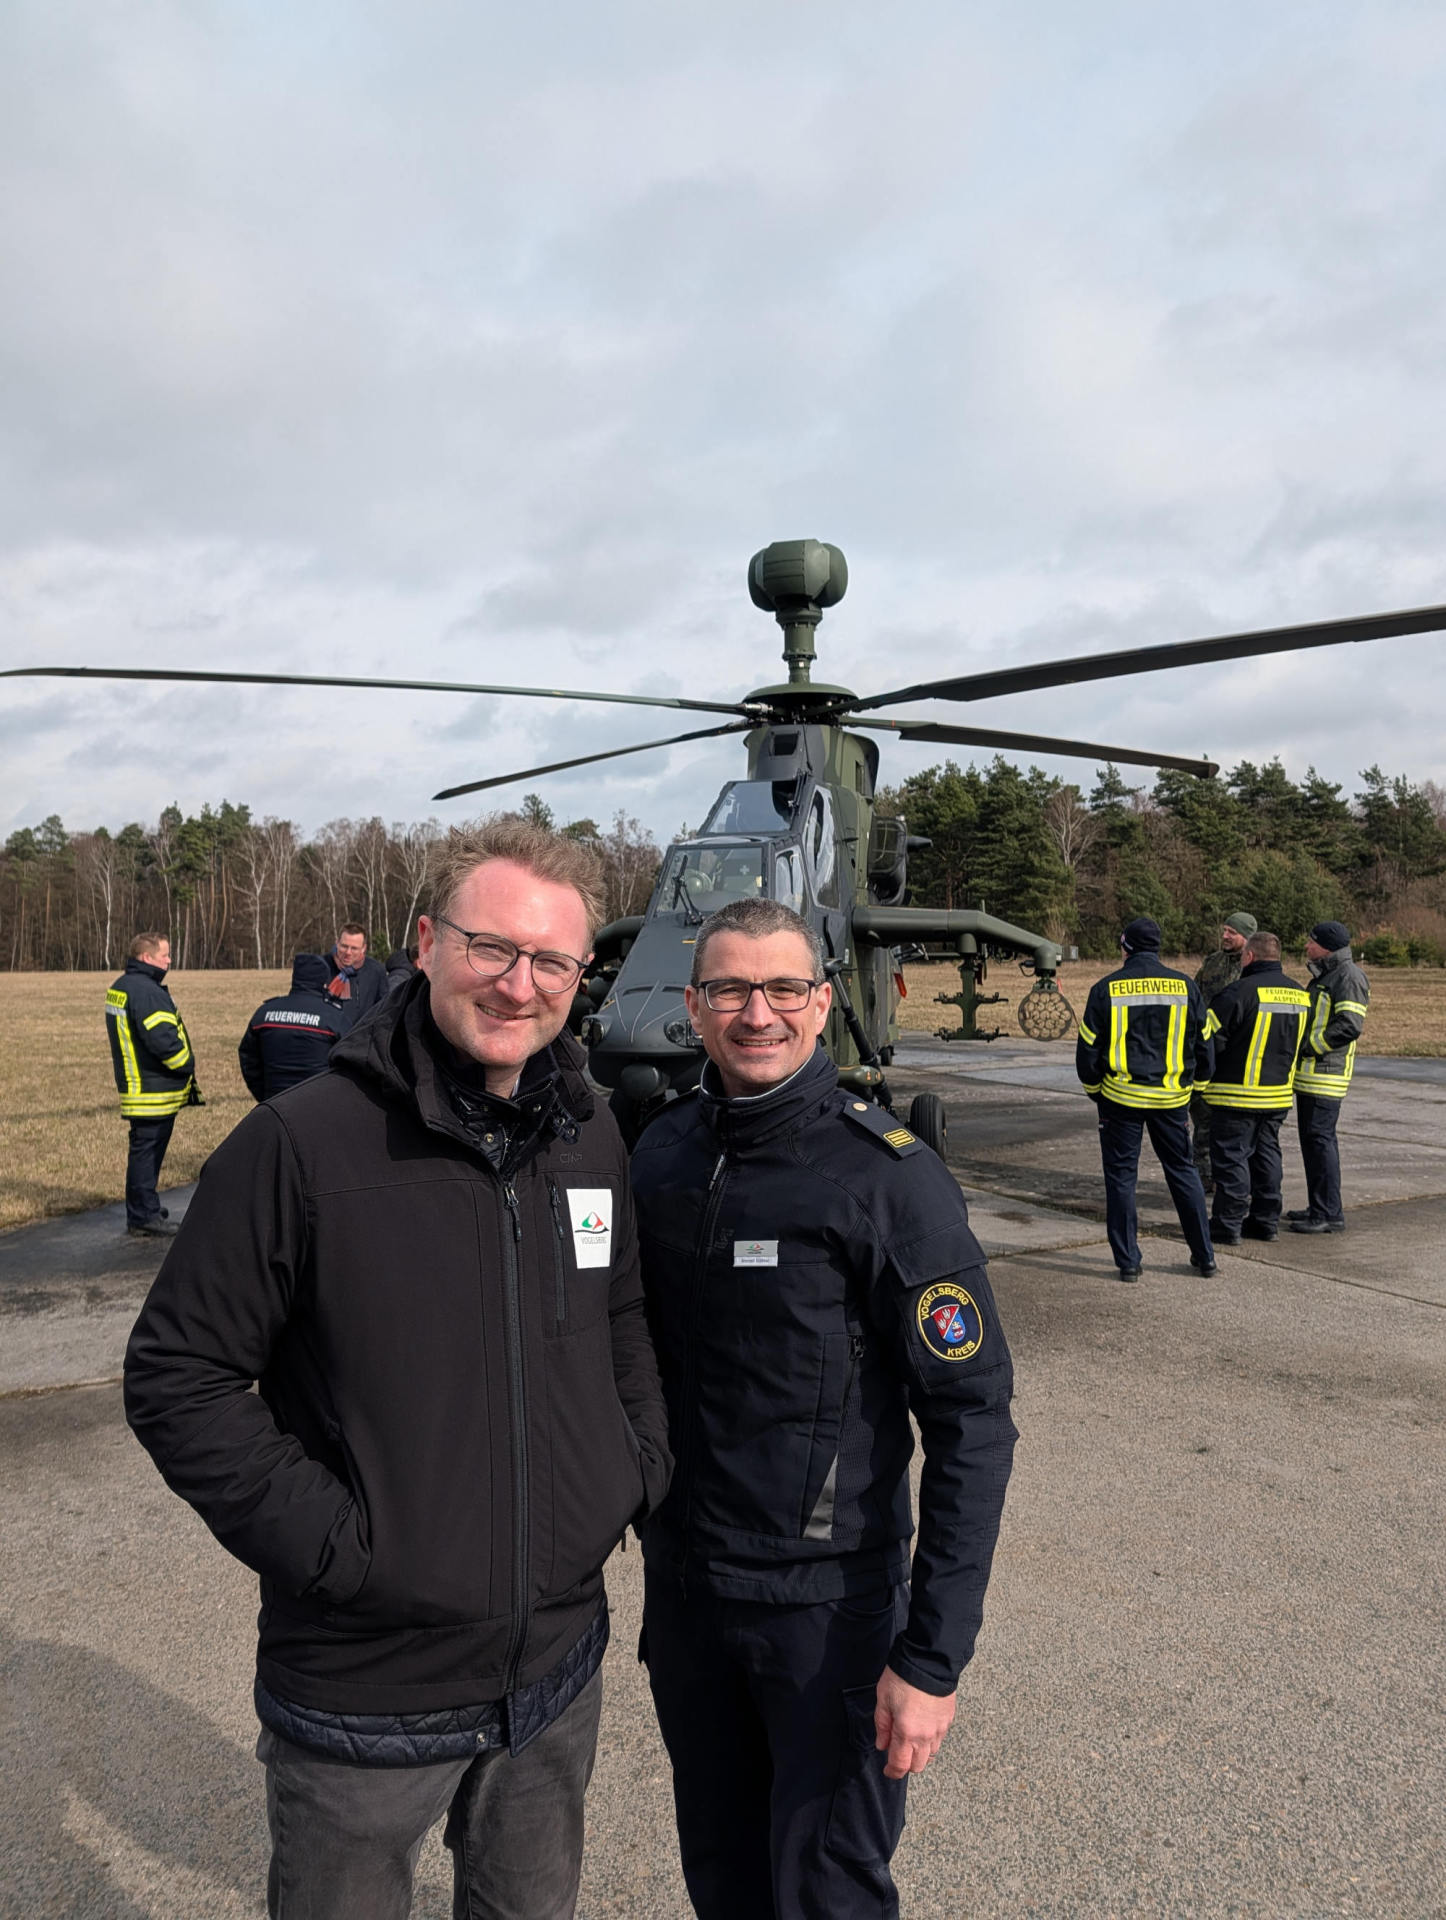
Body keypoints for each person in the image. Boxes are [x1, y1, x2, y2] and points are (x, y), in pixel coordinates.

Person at [124, 821, 671, 1920]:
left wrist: (635, 1467)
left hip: (554, 1679)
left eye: (552, 961)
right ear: (425, 943)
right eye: (491, 948)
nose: (521, 986)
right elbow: (177, 1375)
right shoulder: (303, 1145)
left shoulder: (590, 1136)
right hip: (365, 1696)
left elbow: (621, 1317)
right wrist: (344, 1549)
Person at [630, 897, 1017, 1919]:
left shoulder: (889, 1181)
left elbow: (974, 1421)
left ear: (823, 1001)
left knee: (827, 1894)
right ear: (694, 1005)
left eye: (784, 988)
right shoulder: (661, 1156)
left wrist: (931, 1659)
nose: (758, 1013)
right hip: (689, 1601)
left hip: (827, 1617)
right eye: (730, 990)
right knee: (721, 1873)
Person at [1075, 916, 1216, 1281]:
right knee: (1184, 1173)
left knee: (1122, 1179)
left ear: (1125, 947)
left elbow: (1087, 1054)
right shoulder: (1185, 986)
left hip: (1120, 1099)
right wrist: (1193, 1091)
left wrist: (1096, 1092)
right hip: (1171, 1100)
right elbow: (1206, 1046)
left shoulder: (1106, 988)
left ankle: (1129, 1263)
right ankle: (1204, 1256)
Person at [1196, 931, 1310, 1244]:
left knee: (1232, 1159)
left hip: (1236, 1094)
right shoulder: (1300, 995)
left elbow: (1209, 1041)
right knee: (1267, 1157)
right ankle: (1265, 1221)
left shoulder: (1239, 992)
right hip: (1277, 1096)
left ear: (1249, 957)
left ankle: (1227, 1224)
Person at [104, 932, 199, 1239]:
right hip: (153, 1092)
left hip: (139, 1087)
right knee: (146, 1154)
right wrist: (186, 1064)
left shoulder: (122, 987)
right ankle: (144, 1216)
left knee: (144, 1152)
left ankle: (144, 1208)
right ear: (147, 958)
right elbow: (163, 1041)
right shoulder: (146, 992)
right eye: (165, 956)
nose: (169, 961)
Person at [1288, 919, 1371, 1234]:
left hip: (1326, 1075)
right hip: (1311, 1075)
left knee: (1320, 1143)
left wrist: (1310, 1047)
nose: (1307, 947)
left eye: (1311, 942)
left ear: (1327, 946)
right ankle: (1318, 1206)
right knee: (1313, 1144)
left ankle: (1328, 1214)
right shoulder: (1328, 974)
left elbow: (1349, 1025)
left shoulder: (1348, 976)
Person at [1190, 911, 1258, 1185]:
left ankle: (1234, 1178)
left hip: (1237, 1057)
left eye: (1232, 932)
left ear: (1247, 937)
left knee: (1234, 1126)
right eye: (1225, 930)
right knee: (1203, 1120)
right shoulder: (1212, 963)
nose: (1225, 936)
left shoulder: (1254, 967)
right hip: (1207, 1052)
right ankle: (1204, 1177)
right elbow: (1195, 996)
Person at [237, 953, 352, 1101]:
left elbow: (248, 1059)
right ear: (323, 980)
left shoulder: (264, 1014)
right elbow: (351, 1061)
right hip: (320, 1104)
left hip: (275, 1103)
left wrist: (264, 1096)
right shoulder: (334, 1017)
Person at [325, 921, 389, 1015]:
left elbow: (383, 1010)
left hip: (360, 1028)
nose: (348, 952)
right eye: (344, 946)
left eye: (354, 948)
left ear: (363, 948)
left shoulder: (376, 971)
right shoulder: (323, 966)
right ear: (337, 943)